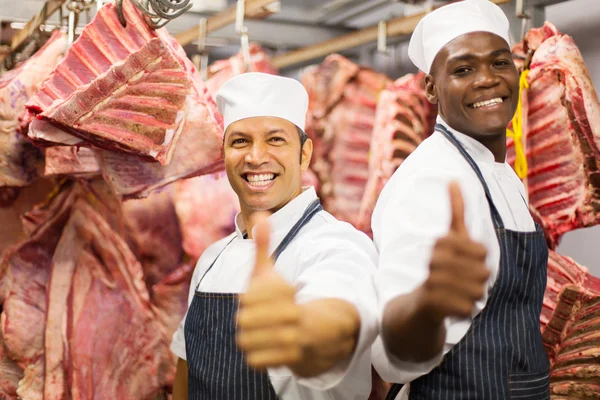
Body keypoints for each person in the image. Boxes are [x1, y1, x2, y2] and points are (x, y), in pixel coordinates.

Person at [370, 0, 550, 399]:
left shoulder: (502, 176)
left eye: (499, 62)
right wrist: (428, 306)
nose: (487, 80)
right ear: (431, 89)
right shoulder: (430, 181)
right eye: (463, 69)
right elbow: (390, 359)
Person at [170, 72, 379, 400]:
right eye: (240, 141)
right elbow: (185, 376)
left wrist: (304, 330)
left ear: (305, 153)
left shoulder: (337, 246)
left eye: (275, 139)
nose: (255, 157)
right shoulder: (212, 259)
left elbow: (337, 326)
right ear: (224, 154)